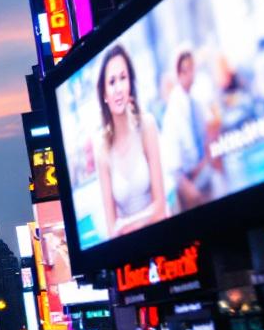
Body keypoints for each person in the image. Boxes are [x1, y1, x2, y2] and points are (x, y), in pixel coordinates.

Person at [90, 45, 167, 239]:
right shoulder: (101, 148)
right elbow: (112, 229)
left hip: (161, 234)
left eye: (123, 78)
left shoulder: (147, 125)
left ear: (130, 83)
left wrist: (127, 224)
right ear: (104, 94)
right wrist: (125, 229)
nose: (118, 89)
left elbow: (160, 207)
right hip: (128, 248)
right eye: (111, 82)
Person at [160, 49, 223, 210]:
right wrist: (190, 191)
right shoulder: (173, 112)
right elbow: (173, 167)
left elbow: (209, 135)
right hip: (190, 185)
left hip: (206, 174)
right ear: (178, 73)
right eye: (185, 69)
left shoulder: (196, 101)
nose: (189, 74)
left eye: (191, 68)